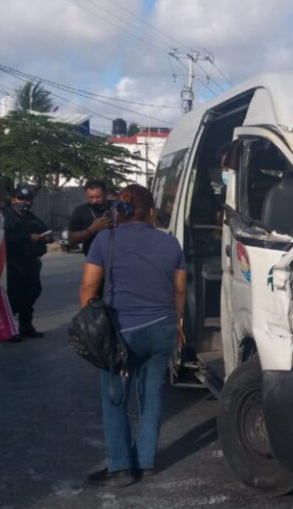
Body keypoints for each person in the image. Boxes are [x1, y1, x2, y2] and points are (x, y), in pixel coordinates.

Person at [79, 184, 186, 487]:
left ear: (119, 212)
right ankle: (147, 461)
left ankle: (121, 468)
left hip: (120, 331)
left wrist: (92, 325)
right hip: (163, 328)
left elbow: (88, 288)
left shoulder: (105, 239)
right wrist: (177, 322)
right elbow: (179, 290)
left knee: (115, 399)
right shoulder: (171, 244)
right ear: (152, 212)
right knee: (151, 396)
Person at [3, 185, 54, 340]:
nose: (24, 202)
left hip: (31, 262)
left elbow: (46, 231)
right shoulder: (5, 217)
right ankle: (9, 331)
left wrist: (47, 237)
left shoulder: (31, 217)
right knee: (13, 297)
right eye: (21, 199)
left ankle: (26, 327)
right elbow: (4, 240)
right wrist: (27, 238)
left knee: (32, 292)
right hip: (13, 262)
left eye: (27, 200)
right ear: (13, 200)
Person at [68, 181, 113, 257]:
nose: (94, 201)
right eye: (90, 197)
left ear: (105, 194)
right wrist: (92, 229)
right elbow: (71, 239)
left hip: (116, 255)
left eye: (98, 197)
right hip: (94, 258)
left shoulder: (116, 206)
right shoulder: (80, 211)